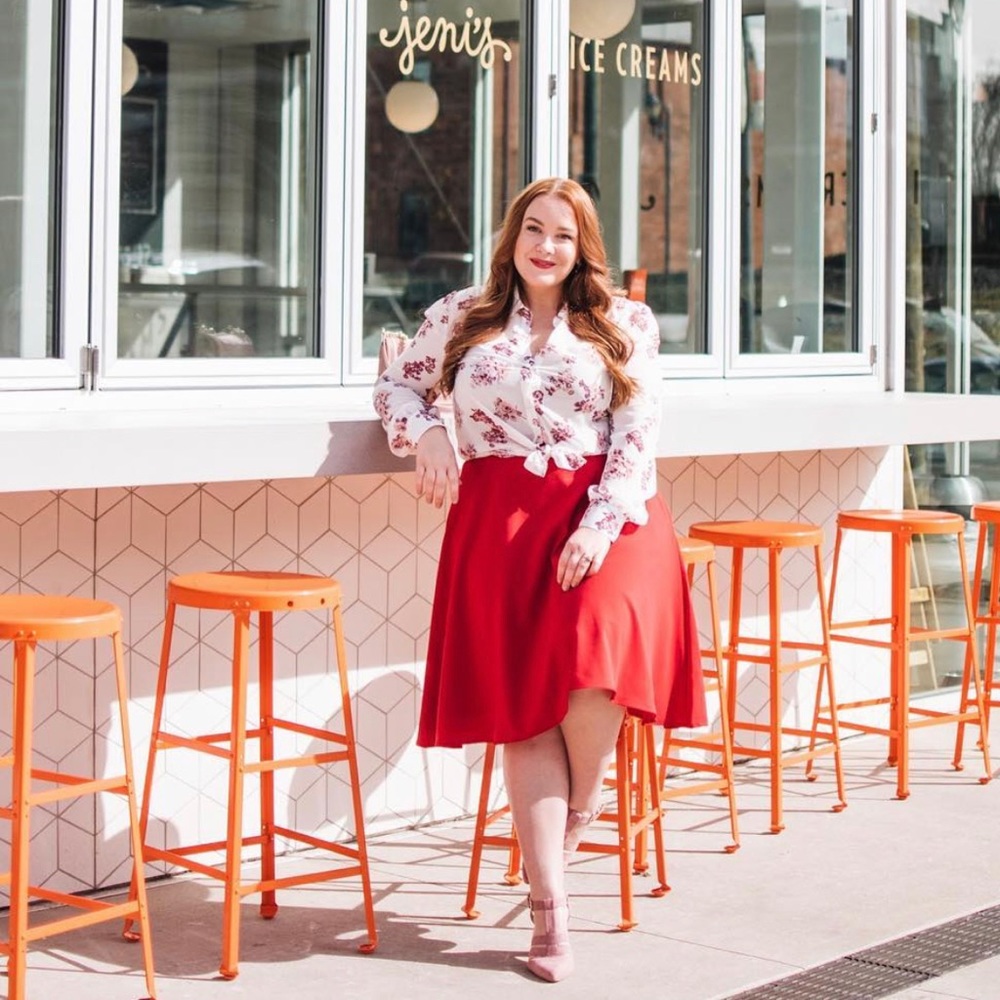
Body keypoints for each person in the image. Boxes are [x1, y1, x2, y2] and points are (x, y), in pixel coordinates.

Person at [373, 177, 705, 983]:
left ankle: (576, 816)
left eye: (562, 232)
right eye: (533, 227)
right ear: (512, 236)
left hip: (611, 514)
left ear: (583, 245)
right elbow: (397, 384)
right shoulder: (462, 315)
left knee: (594, 679)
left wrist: (597, 525)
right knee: (525, 709)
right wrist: (427, 433)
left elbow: (638, 430)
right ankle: (552, 912)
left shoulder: (624, 322)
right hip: (500, 522)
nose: (545, 244)